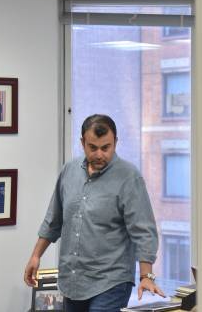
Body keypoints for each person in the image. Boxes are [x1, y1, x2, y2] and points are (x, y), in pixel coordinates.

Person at [24, 114, 164, 312]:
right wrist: (36, 256)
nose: (100, 154)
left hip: (111, 281)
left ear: (115, 142)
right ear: (82, 143)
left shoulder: (129, 177)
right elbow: (53, 220)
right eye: (93, 147)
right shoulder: (69, 171)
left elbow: (144, 231)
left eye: (106, 147)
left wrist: (146, 276)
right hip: (73, 280)